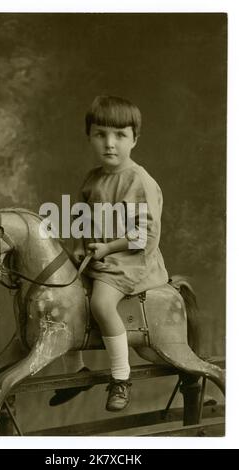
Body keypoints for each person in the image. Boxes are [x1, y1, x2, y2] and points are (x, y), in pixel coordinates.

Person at [69, 95, 169, 412]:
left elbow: (146, 233)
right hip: (99, 257)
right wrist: (78, 244)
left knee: (100, 302)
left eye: (120, 135)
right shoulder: (93, 178)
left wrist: (109, 247)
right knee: (62, 296)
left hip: (131, 261)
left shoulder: (139, 180)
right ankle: (75, 370)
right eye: (100, 135)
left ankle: (121, 379)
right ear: (89, 137)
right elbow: (81, 219)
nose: (109, 144)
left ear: (134, 139)